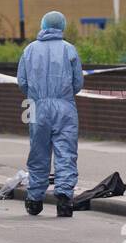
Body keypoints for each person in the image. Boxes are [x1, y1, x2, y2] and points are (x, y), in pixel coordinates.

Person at [16, 11, 83, 218]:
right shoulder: (69, 50)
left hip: (36, 106)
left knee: (38, 152)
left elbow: (22, 82)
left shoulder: (29, 50)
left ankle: (34, 199)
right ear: (61, 26)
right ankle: (64, 199)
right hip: (65, 106)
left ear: (43, 25)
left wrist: (36, 95)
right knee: (66, 153)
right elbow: (78, 83)